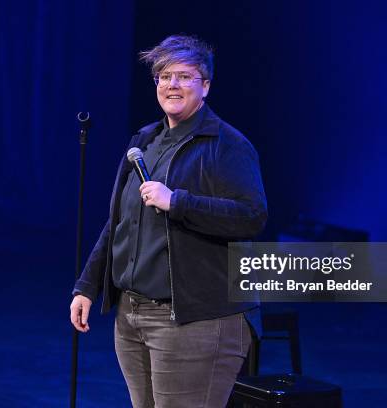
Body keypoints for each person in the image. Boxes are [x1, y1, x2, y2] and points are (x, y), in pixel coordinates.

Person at [70, 34, 267, 408]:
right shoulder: (145, 140)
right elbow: (118, 223)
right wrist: (87, 286)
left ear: (205, 85)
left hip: (196, 322)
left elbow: (251, 216)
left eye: (184, 76)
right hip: (132, 317)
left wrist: (178, 202)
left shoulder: (226, 145)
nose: (171, 84)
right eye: (163, 76)